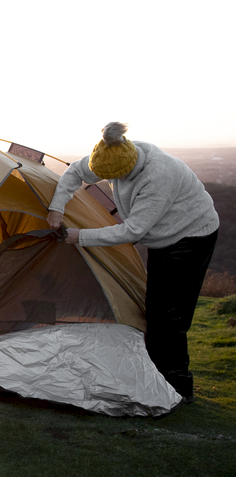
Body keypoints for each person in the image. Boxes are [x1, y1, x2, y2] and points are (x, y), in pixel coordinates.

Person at [47, 122, 219, 405]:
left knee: (168, 314)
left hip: (191, 236)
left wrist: (80, 236)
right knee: (156, 307)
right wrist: (57, 205)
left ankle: (178, 388)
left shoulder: (159, 176)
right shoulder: (111, 153)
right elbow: (76, 172)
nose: (110, 182)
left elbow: (132, 232)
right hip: (163, 236)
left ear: (128, 169)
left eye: (113, 179)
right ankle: (154, 372)